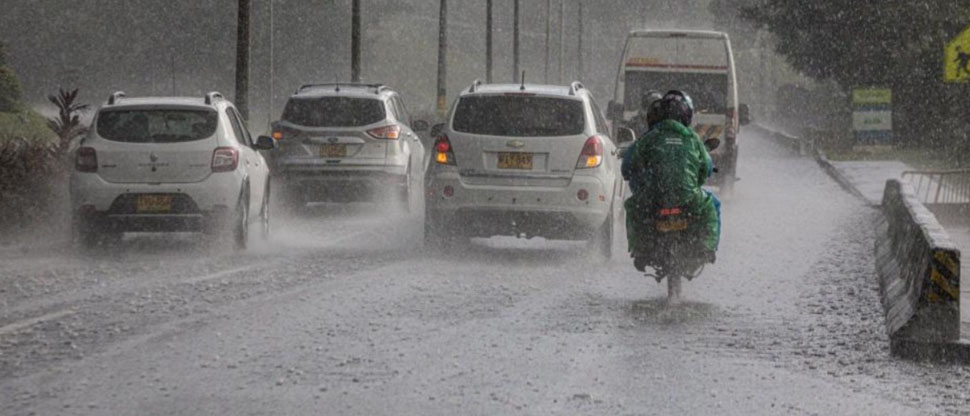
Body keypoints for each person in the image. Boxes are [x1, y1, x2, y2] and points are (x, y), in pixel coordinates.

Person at [623, 90, 721, 271]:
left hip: (653, 198)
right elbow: (706, 167)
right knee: (712, 206)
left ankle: (639, 251)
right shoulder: (692, 139)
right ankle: (708, 249)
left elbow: (629, 166)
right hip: (688, 198)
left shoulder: (648, 138)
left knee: (632, 208)